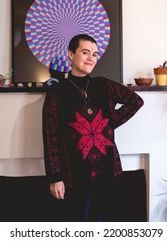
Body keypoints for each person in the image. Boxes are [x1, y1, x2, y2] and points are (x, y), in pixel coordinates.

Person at [42, 34, 144, 221]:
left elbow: (136, 101)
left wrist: (109, 122)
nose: (91, 58)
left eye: (95, 54)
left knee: (101, 224)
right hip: (73, 174)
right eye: (85, 52)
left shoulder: (103, 85)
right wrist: (54, 177)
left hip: (106, 171)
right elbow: (50, 136)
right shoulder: (57, 93)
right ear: (71, 54)